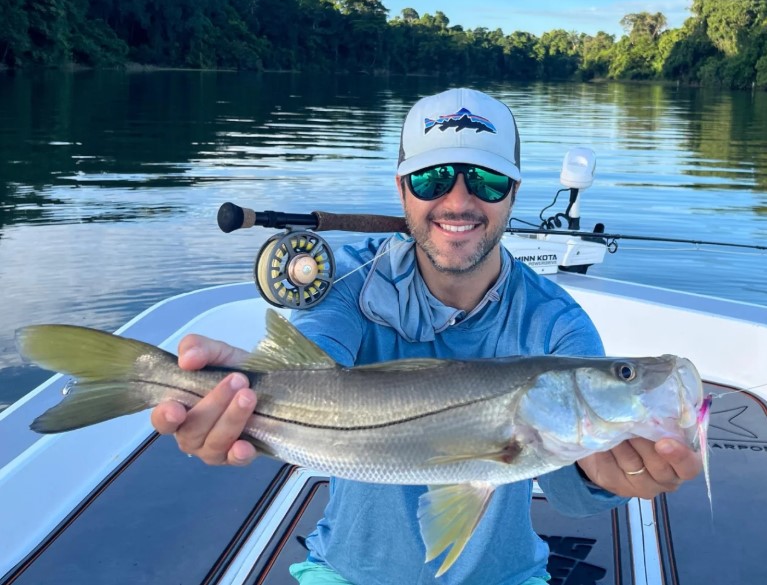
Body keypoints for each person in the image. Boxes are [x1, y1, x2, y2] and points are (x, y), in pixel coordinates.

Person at [151, 88, 702, 585]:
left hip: (506, 576)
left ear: (511, 194)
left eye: (485, 180)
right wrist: (236, 394)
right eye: (433, 178)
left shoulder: (556, 323)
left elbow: (570, 491)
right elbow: (312, 363)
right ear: (402, 190)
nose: (459, 202)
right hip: (344, 572)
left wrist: (609, 475)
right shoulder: (347, 282)